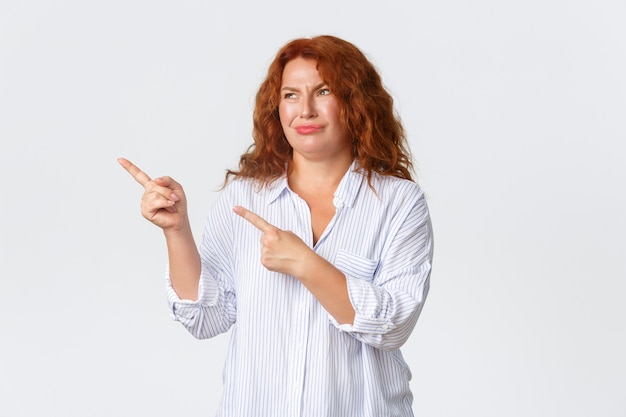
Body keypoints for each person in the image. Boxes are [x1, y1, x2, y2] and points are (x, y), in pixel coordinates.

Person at [119, 34, 433, 417]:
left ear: (355, 102)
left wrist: (306, 263)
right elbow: (206, 318)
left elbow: (394, 325)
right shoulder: (244, 200)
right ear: (276, 107)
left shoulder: (399, 203)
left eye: (323, 91)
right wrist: (176, 230)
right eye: (291, 95)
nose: (305, 111)